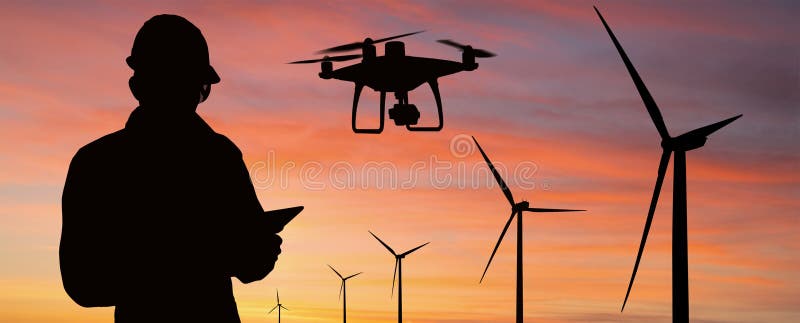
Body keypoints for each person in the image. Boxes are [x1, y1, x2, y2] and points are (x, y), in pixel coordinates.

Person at [60, 14, 282, 322]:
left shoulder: (96, 162)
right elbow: (83, 282)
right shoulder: (217, 157)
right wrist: (197, 256)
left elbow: (251, 263)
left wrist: (258, 249)